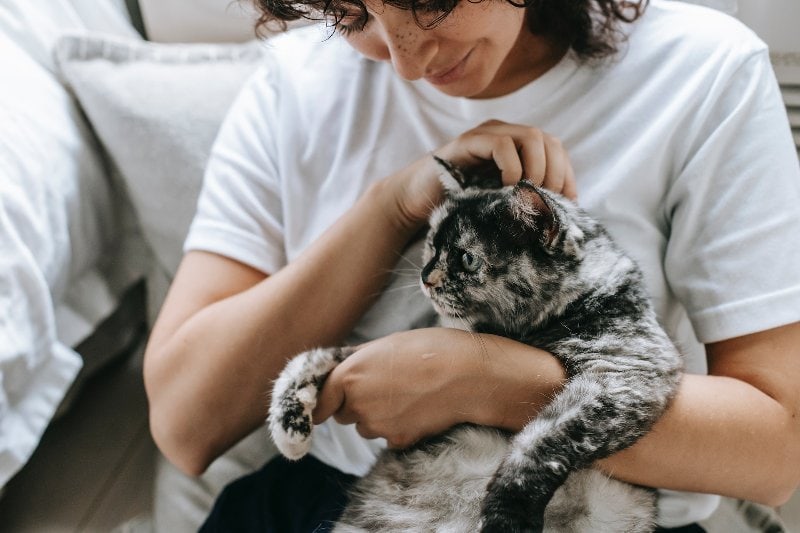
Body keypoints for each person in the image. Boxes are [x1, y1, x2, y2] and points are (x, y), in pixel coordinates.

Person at [142, 0, 800, 530]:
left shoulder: (702, 74)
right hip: (339, 500)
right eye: (350, 15)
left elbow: (778, 449)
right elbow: (183, 423)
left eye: (429, 2)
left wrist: (485, 382)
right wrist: (392, 207)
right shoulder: (294, 83)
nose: (404, 63)